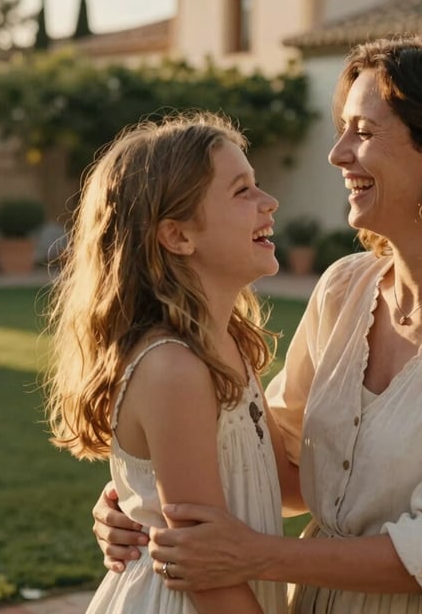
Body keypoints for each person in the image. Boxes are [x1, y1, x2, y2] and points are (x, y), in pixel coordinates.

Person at [92, 35, 422, 614]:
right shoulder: (345, 287)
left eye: (363, 133)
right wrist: (144, 501)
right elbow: (292, 476)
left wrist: (249, 555)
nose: (338, 153)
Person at [44, 111, 291, 613]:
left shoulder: (227, 345)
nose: (269, 202)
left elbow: (280, 481)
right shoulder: (173, 369)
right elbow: (204, 570)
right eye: (242, 191)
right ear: (177, 236)